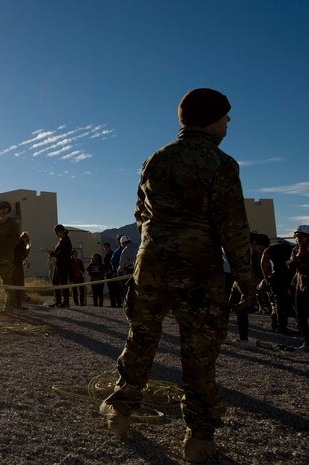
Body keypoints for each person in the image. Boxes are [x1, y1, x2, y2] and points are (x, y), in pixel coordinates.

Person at [101, 88, 255, 463]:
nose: (229, 122)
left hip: (150, 263)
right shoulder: (220, 163)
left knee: (141, 338)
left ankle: (121, 410)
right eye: (225, 116)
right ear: (209, 119)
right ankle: (199, 438)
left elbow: (141, 214)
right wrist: (246, 279)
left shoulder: (155, 160)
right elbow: (232, 226)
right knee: (199, 351)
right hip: (197, 268)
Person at [261, 237, 295, 333]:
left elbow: (263, 262)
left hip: (277, 276)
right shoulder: (293, 247)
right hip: (291, 276)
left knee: (279, 303)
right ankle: (301, 325)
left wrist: (266, 277)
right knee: (295, 301)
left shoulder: (270, 248)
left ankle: (281, 326)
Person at [286, 225, 309, 351]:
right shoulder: (295, 250)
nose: (299, 238)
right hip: (300, 287)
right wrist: (295, 258)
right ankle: (307, 341)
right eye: (297, 235)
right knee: (300, 317)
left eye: (302, 236)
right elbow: (290, 267)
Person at [47, 224, 72, 308]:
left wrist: (52, 253)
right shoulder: (61, 240)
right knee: (55, 282)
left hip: (63, 265)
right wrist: (53, 253)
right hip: (59, 264)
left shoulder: (66, 240)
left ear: (60, 231)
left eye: (56, 232)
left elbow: (62, 254)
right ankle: (58, 301)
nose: (56, 234)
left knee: (63, 283)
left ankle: (65, 302)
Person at [12, 231, 31, 309]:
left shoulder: (14, 242)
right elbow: (23, 255)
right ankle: (19, 304)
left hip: (11, 265)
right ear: (26, 239)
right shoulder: (22, 243)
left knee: (12, 285)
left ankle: (11, 303)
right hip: (18, 266)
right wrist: (27, 252)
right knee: (19, 285)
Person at [103, 242, 121, 308]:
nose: (105, 248)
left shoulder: (112, 253)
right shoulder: (106, 254)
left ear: (109, 247)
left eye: (106, 247)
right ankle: (113, 303)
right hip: (108, 274)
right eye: (104, 247)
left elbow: (114, 263)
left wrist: (113, 272)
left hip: (113, 273)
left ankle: (119, 303)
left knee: (116, 289)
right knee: (111, 290)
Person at [108, 237, 124, 307]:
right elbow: (113, 263)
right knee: (119, 289)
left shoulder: (127, 250)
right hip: (120, 272)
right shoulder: (117, 252)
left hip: (127, 271)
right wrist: (114, 271)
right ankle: (120, 303)